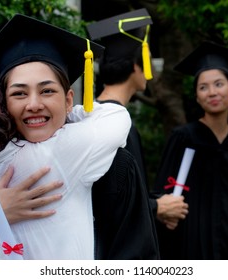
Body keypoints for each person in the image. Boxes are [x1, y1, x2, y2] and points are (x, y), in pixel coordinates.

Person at [0, 14, 131, 260]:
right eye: (19, 94)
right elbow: (116, 116)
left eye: (47, 91)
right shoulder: (51, 154)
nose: (34, 104)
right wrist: (68, 114)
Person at [86, 9, 187, 259]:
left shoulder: (92, 117)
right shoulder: (117, 126)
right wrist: (156, 207)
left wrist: (155, 203)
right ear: (135, 66)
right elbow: (110, 199)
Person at [153, 41, 228, 260]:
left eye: (219, 84)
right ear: (196, 97)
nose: (212, 92)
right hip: (190, 249)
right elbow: (161, 193)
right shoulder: (184, 138)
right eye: (203, 87)